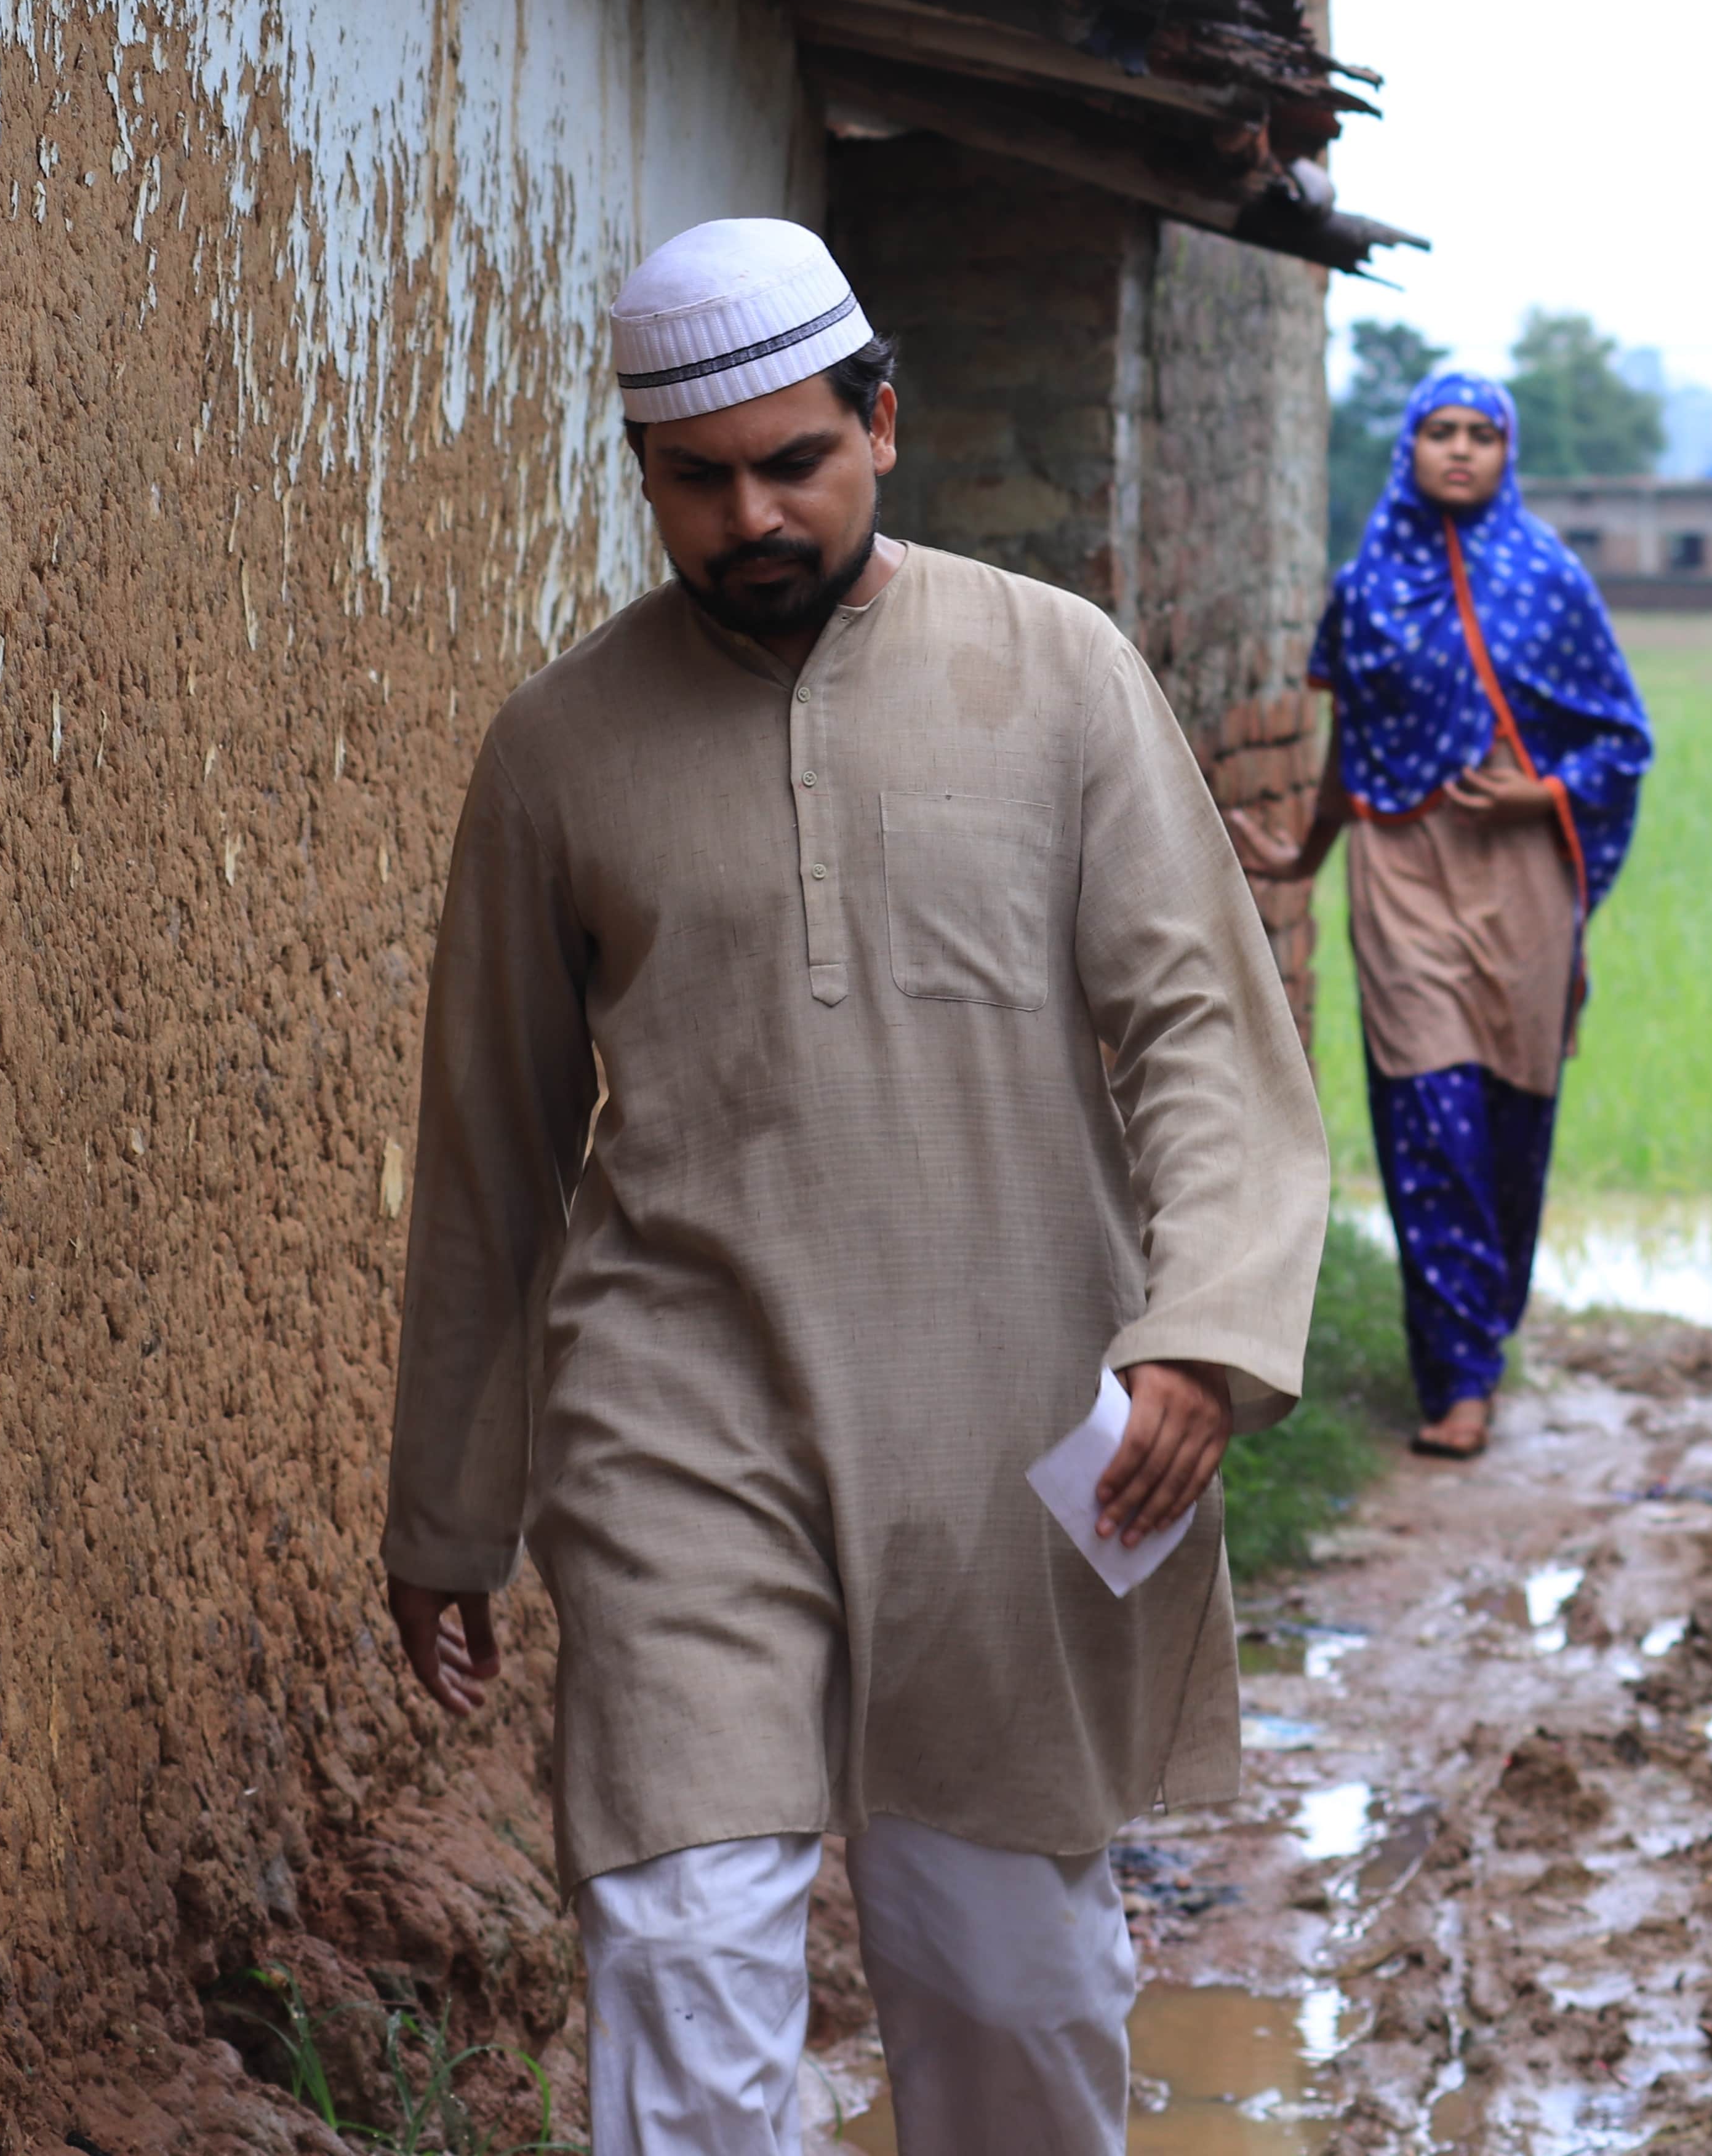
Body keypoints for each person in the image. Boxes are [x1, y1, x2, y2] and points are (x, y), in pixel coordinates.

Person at [379, 218, 1330, 2155]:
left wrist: (1204, 1331)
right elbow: (492, 1146)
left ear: (882, 424)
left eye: (793, 462)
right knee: (681, 1949)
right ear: (644, 475)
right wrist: (451, 1506)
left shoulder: (1060, 676)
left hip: (1012, 1427)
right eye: (698, 479)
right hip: (678, 1426)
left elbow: (1201, 1032)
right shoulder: (558, 751)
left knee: (1011, 1991)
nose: (751, 517)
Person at [1230, 373, 1651, 1461]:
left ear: (1508, 453)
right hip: (1403, 868)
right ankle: (1456, 1379)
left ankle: (1486, 1330)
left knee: (1510, 1120)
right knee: (1431, 1113)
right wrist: (1305, 854)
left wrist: (1539, 795)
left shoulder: (1551, 579)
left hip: (1521, 876)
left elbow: (1621, 741)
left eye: (1481, 435)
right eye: (1439, 432)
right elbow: (1354, 749)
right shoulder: (1366, 587)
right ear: (1408, 448)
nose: (1460, 451)